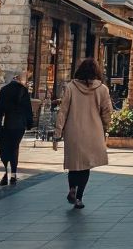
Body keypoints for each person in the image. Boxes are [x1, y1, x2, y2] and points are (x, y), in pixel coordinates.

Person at [55, 58, 113, 209]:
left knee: (74, 164)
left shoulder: (70, 87)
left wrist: (58, 132)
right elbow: (107, 111)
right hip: (93, 132)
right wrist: (107, 126)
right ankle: (79, 198)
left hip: (73, 131)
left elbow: (63, 111)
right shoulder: (102, 89)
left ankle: (72, 188)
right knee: (86, 166)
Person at [0, 71, 34, 185]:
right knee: (14, 148)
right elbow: (28, 108)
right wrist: (29, 123)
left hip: (6, 123)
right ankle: (13, 174)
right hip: (19, 124)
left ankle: (6, 172)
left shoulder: (4, 90)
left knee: (5, 149)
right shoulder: (23, 90)